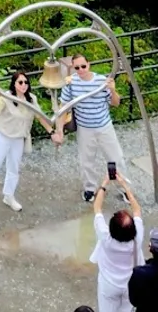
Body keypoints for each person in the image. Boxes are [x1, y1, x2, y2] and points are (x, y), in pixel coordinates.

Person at [0, 69, 59, 213]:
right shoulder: (6, 97)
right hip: (2, 136)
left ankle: (9, 195)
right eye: (20, 82)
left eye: (26, 82)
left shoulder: (31, 99)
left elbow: (40, 117)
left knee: (14, 168)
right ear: (14, 83)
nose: (23, 85)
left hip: (18, 138)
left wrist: (52, 132)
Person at [52, 51, 128, 202]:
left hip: (104, 126)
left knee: (116, 158)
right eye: (77, 68)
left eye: (83, 66)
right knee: (86, 161)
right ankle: (89, 189)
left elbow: (115, 103)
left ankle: (124, 188)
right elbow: (64, 107)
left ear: (89, 65)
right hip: (85, 128)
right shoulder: (71, 83)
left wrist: (112, 89)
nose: (81, 70)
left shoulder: (100, 81)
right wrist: (59, 130)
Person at [90, 173, 144, 312]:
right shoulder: (137, 239)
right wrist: (125, 187)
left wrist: (104, 184)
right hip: (131, 286)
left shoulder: (105, 237)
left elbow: (97, 208)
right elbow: (137, 210)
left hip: (108, 284)